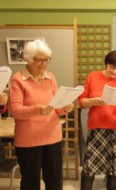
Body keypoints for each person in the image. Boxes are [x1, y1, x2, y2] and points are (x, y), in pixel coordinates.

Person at [9, 39, 74, 190]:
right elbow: (16, 111)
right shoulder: (18, 79)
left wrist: (65, 108)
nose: (44, 64)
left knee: (54, 181)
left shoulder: (50, 77)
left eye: (46, 60)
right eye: (40, 60)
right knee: (30, 183)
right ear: (29, 59)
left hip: (53, 137)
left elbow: (56, 107)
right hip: (29, 140)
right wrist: (38, 109)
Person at [78, 50, 116, 190]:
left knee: (113, 169)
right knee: (89, 167)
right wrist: (93, 101)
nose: (115, 71)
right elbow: (81, 102)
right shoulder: (93, 76)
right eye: (112, 67)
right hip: (97, 129)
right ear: (106, 64)